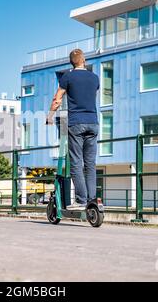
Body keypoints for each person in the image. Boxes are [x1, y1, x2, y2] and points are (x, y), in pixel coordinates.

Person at [46, 49, 100, 210]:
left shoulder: (67, 76)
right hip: (93, 123)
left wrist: (49, 117)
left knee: (76, 162)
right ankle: (92, 200)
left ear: (71, 62)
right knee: (90, 163)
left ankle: (81, 200)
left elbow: (57, 99)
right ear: (84, 60)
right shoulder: (95, 78)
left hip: (76, 123)